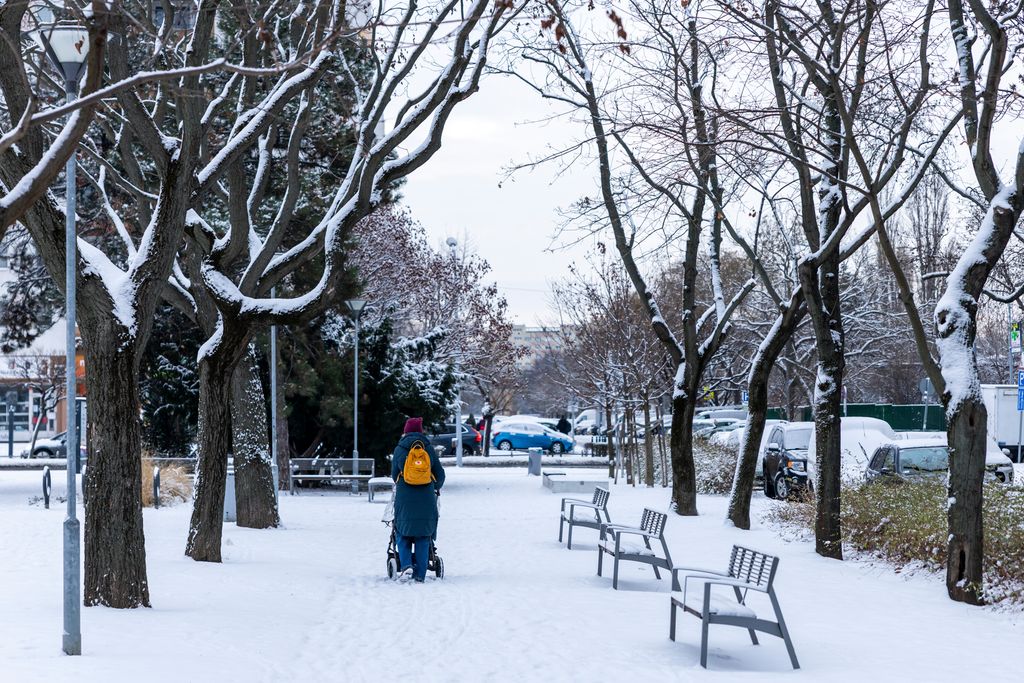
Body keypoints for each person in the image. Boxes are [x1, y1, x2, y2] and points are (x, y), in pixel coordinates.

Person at [391, 417, 446, 582]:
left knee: (402, 531)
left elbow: (395, 475)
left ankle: (406, 564)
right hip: (426, 497)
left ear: (406, 431)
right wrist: (434, 486)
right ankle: (420, 574)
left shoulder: (400, 449)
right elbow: (440, 475)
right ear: (421, 431)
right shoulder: (428, 449)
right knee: (423, 534)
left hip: (405, 496)